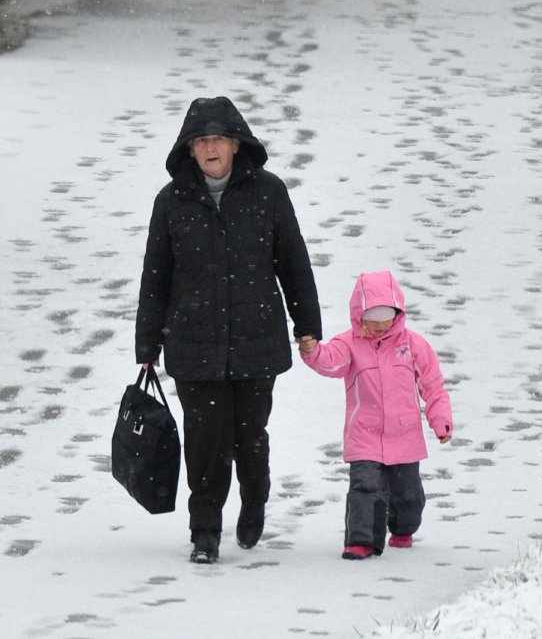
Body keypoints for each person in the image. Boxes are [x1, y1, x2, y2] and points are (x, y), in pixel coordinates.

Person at [135, 96, 322, 564]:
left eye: (218, 138)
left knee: (249, 437)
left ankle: (255, 496)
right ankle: (205, 532)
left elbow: (293, 262)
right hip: (193, 342)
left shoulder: (269, 193)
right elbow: (155, 275)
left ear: (236, 145)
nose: (210, 148)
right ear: (190, 149)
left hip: (255, 339)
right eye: (201, 141)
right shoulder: (171, 200)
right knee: (204, 442)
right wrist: (148, 340)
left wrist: (307, 326)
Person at [298, 270, 452, 560]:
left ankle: (403, 528)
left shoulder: (413, 345)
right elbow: (330, 362)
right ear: (359, 314)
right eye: (374, 318)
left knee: (407, 495)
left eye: (387, 318)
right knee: (365, 488)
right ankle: (361, 541)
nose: (381, 326)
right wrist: (312, 351)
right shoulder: (349, 344)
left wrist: (440, 420)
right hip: (364, 434)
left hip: (404, 435)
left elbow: (432, 385)